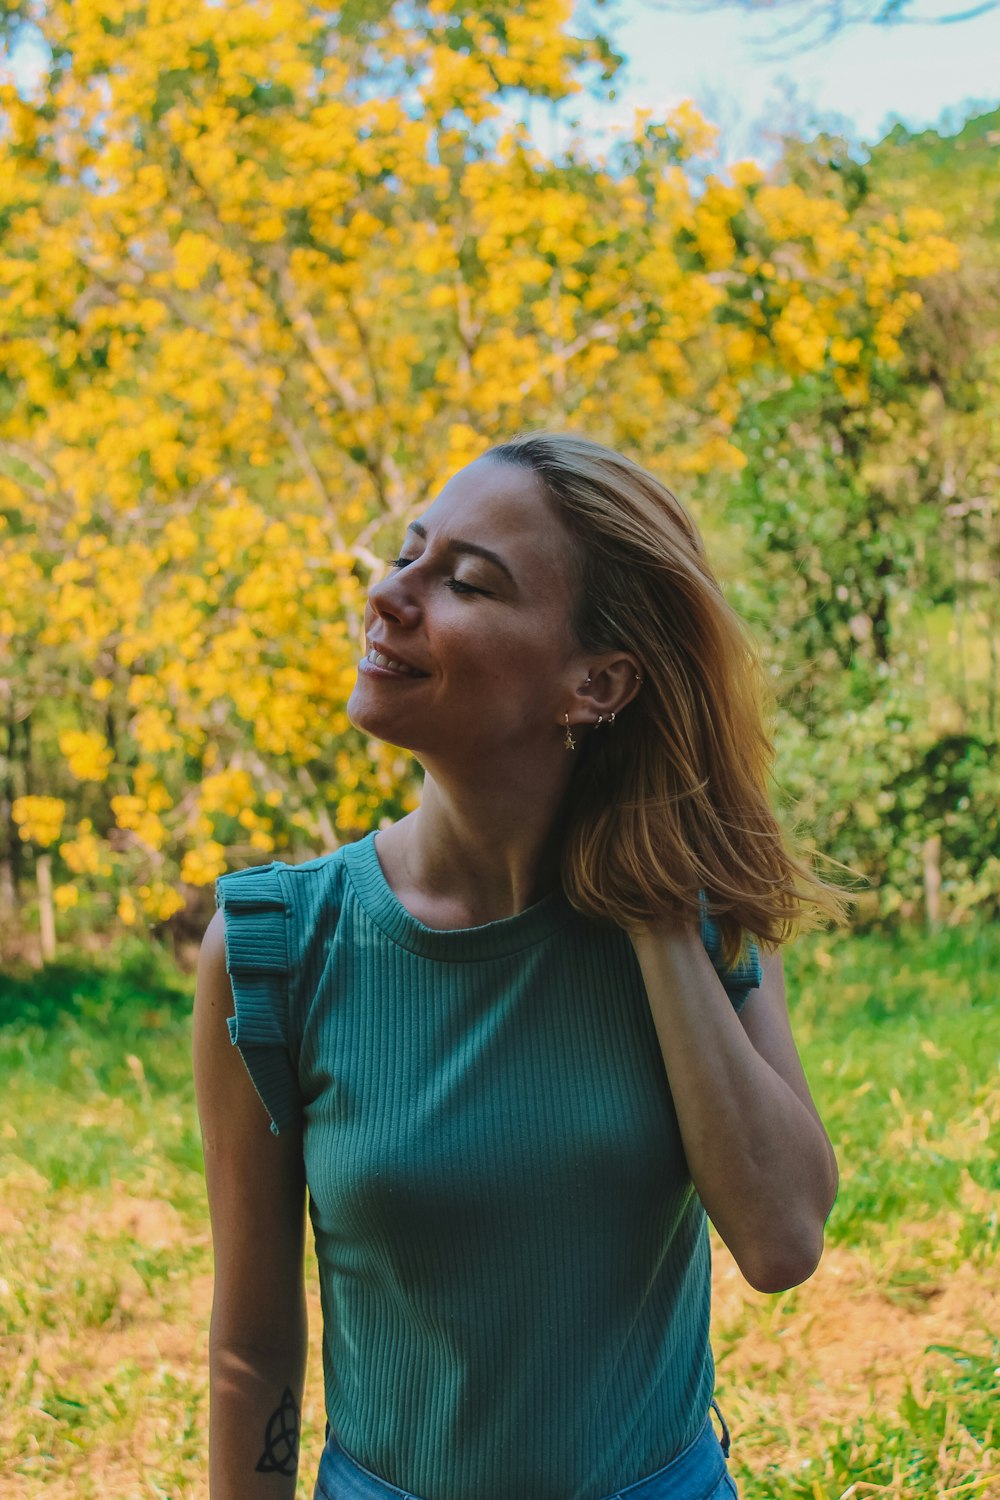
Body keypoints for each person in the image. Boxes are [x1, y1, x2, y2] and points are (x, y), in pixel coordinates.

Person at [193, 430, 843, 1500]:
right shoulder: (274, 951)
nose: (393, 593)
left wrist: (654, 920)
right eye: (408, 553)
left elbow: (781, 1241)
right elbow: (253, 1345)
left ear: (595, 684)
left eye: (468, 582)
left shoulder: (702, 916)